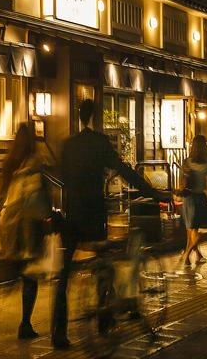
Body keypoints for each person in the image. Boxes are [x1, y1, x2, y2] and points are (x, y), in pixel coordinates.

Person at [52, 99, 158, 349]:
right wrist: (150, 190)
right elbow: (123, 169)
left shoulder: (68, 145)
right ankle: (103, 317)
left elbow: (60, 178)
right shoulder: (99, 142)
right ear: (95, 115)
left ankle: (59, 333)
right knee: (103, 261)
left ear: (78, 116)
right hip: (94, 213)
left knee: (63, 276)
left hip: (71, 214)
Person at [0, 123, 51, 340]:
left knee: (19, 267)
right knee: (30, 275)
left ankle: (5, 298)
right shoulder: (36, 163)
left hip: (11, 224)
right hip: (30, 225)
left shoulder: (9, 164)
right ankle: (25, 322)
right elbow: (43, 195)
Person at [180, 135, 207, 266]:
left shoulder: (187, 162)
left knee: (190, 230)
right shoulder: (206, 162)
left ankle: (189, 255)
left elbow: (182, 180)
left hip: (188, 197)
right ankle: (188, 255)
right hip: (200, 197)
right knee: (196, 231)